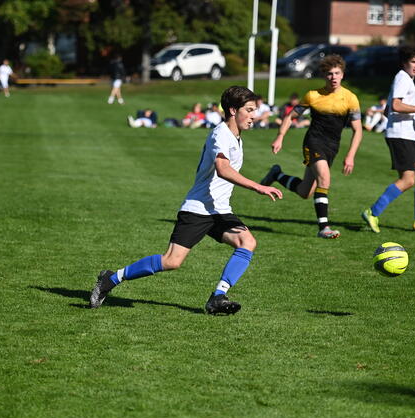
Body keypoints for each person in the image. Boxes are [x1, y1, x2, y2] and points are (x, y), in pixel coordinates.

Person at [89, 86, 283, 315]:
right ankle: (111, 279)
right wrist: (258, 186)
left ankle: (218, 297)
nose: (254, 115)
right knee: (171, 261)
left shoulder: (236, 137)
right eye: (249, 110)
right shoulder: (220, 134)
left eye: (255, 110)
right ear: (233, 110)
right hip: (198, 209)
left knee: (247, 242)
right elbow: (222, 169)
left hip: (219, 210)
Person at [260, 54, 363, 239]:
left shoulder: (350, 98)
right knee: (325, 179)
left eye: (337, 73)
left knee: (305, 192)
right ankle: (324, 228)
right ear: (324, 75)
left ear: (343, 74)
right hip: (314, 142)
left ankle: (277, 174)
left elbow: (358, 130)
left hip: (333, 146)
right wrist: (280, 137)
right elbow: (290, 116)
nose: (333, 77)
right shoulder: (313, 95)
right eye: (329, 74)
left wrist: (351, 156)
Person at [361, 44, 415, 233]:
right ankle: (372, 212)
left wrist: (410, 130)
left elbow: (388, 110)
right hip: (400, 136)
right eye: (413, 62)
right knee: (407, 180)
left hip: (406, 135)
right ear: (404, 62)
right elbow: (397, 105)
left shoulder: (406, 79)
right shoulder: (403, 78)